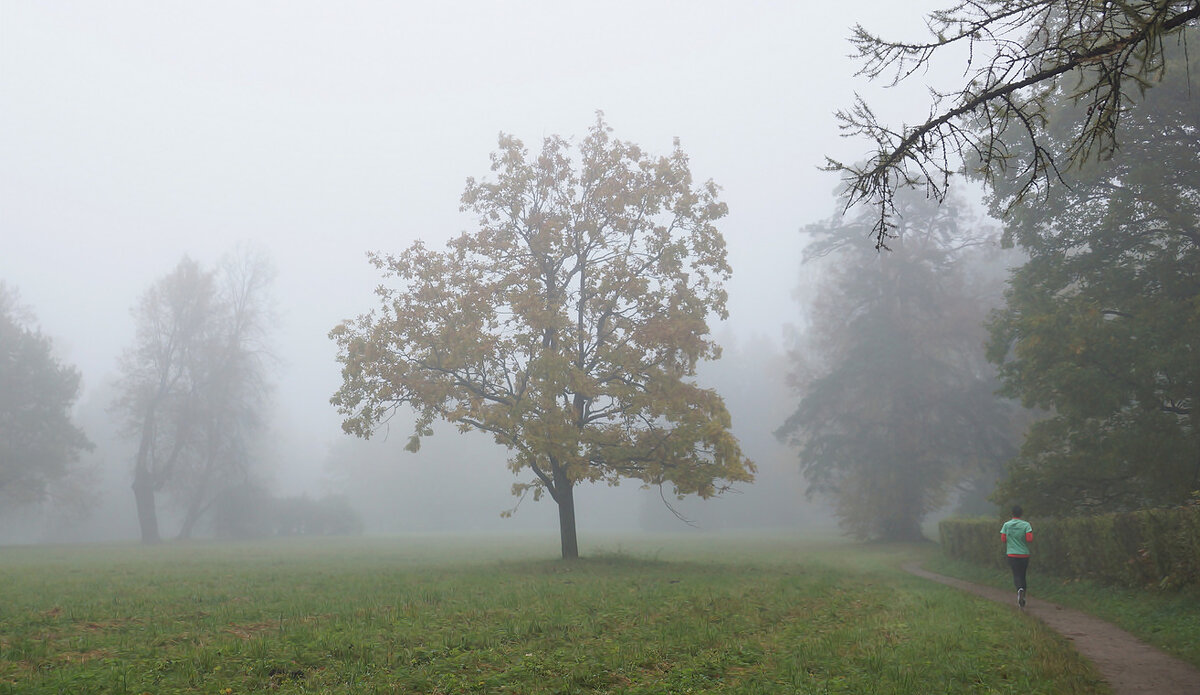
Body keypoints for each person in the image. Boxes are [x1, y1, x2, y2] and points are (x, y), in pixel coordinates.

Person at [1000, 506, 1033, 608]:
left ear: (1012, 513)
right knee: (1023, 575)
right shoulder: (1026, 525)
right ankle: (1023, 595)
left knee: (1016, 574)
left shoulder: (1006, 525)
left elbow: (1003, 539)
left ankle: (1019, 590)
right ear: (1021, 514)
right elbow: (1029, 539)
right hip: (1024, 554)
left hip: (1012, 554)